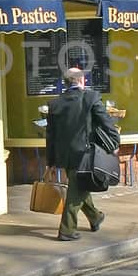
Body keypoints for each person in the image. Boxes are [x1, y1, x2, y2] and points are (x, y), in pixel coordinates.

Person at [45, 65, 114, 240]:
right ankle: (66, 230)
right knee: (76, 192)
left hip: (64, 156)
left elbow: (51, 136)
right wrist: (114, 143)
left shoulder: (55, 104)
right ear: (82, 80)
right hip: (85, 154)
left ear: (65, 83)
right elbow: (106, 123)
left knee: (79, 186)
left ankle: (95, 217)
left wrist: (51, 162)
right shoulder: (91, 97)